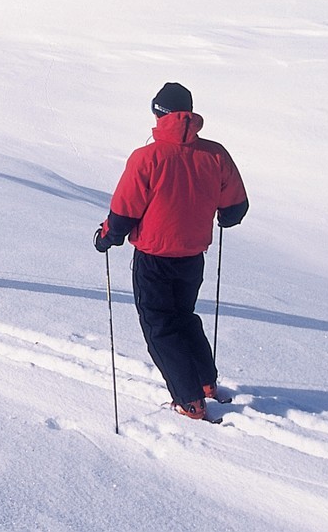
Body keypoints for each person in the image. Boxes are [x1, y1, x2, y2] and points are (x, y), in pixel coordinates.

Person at [94, 82, 249, 421]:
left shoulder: (147, 157)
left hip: (154, 257)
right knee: (183, 317)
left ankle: (189, 400)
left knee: (160, 326)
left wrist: (107, 237)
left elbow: (124, 211)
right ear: (190, 115)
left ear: (158, 113)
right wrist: (224, 215)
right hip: (193, 257)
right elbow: (236, 206)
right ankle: (206, 382)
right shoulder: (215, 154)